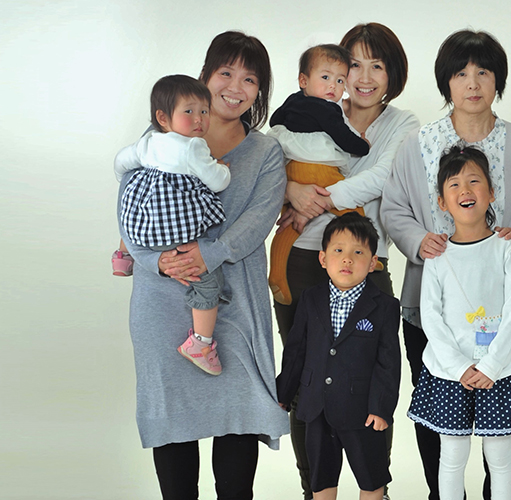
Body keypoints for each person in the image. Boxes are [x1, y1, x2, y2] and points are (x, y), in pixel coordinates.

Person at [381, 29, 511, 500]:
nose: (472, 83)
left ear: (498, 80)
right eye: (460, 73)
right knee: (440, 419)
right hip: (431, 304)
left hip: (501, 307)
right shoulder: (417, 143)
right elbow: (394, 209)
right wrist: (420, 242)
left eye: (483, 72)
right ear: (446, 82)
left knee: (503, 421)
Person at [117, 31, 289, 499]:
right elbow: (128, 209)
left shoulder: (265, 152)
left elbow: (259, 221)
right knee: (174, 428)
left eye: (250, 79)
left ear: (259, 91)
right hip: (161, 304)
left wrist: (206, 254)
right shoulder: (158, 140)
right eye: (226, 73)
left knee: (238, 426)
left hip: (235, 305)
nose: (236, 87)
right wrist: (157, 262)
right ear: (205, 76)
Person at [273, 23, 419, 500]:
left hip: (367, 262)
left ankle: (374, 490)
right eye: (354, 64)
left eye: (378, 66)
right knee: (305, 383)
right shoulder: (309, 108)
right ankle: (313, 489)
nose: (364, 77)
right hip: (301, 256)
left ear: (393, 74)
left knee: (373, 381)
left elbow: (382, 177)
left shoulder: (403, 124)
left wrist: (315, 199)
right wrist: (290, 189)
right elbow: (272, 159)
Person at [407, 146, 511, 500]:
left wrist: (491, 366)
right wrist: (459, 367)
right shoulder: (437, 255)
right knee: (452, 456)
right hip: (451, 372)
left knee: (500, 455)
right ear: (442, 201)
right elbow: (430, 316)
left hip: (500, 369)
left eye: (474, 181)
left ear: (491, 193)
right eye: (454, 184)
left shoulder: (507, 248)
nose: (465, 190)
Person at [277, 212, 401, 500]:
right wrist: (284, 394)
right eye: (338, 251)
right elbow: (296, 351)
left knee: (371, 480)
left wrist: (381, 408)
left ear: (373, 262)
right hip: (316, 408)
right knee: (321, 479)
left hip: (363, 412)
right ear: (323, 259)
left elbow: (388, 362)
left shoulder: (384, 306)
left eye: (358, 252)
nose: (347, 259)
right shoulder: (310, 298)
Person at [115, 74, 230, 376]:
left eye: (204, 111)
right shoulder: (194, 148)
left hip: (144, 229)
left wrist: (126, 180)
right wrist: (222, 169)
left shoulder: (148, 143)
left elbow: (121, 162)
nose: (199, 119)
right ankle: (201, 344)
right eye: (189, 111)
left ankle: (123, 255)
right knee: (208, 280)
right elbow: (218, 182)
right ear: (163, 118)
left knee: (133, 209)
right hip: (174, 233)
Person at [267, 44, 371, 306]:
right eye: (325, 77)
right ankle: (366, 257)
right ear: (303, 80)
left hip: (292, 170)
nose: (333, 86)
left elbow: (275, 120)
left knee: (290, 225)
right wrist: (363, 145)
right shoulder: (327, 109)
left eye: (340, 80)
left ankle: (277, 273)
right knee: (354, 213)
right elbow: (344, 138)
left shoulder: (293, 100)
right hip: (319, 170)